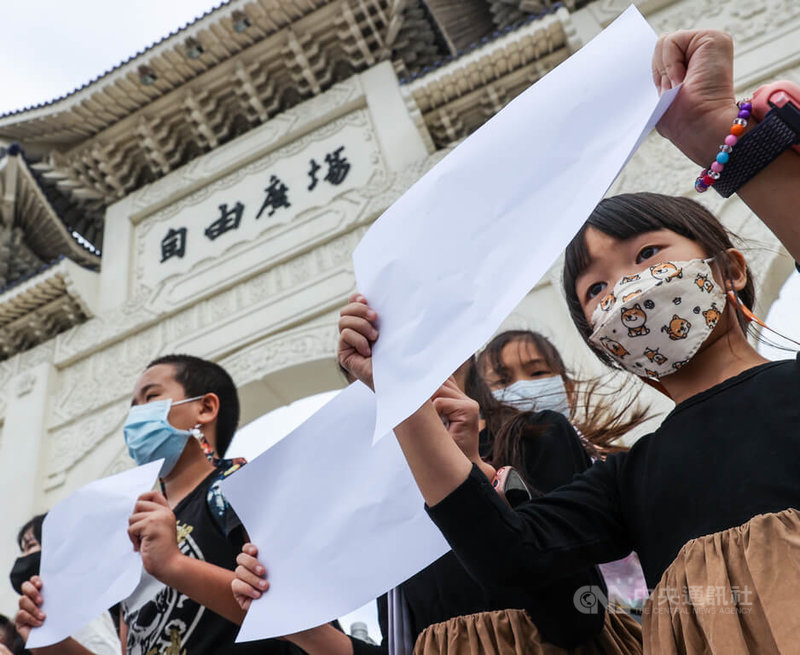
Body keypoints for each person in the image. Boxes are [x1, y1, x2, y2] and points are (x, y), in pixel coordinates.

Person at [337, 29, 800, 653]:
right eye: (595, 291)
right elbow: (510, 558)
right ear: (604, 342)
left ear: (731, 269)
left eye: (647, 254)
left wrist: (715, 133)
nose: (628, 290)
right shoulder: (627, 479)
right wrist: (404, 395)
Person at [233, 373, 641, 653]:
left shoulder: (536, 436)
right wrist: (300, 625)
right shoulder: (378, 498)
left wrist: (480, 485)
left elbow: (579, 614)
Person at [16, 354, 352, 654]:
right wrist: (53, 641)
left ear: (205, 408)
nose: (137, 416)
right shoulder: (131, 532)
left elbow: (295, 613)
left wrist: (174, 564)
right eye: (133, 407)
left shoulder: (241, 486)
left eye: (150, 397)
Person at [10, 515, 119, 655]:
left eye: (31, 545)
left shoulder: (77, 599)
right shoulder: (30, 618)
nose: (23, 558)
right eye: (23, 550)